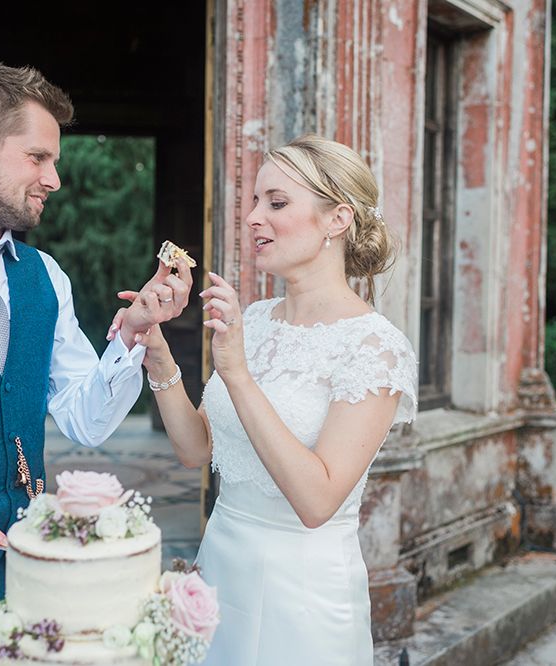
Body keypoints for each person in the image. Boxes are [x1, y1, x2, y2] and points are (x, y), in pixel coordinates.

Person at [0, 60, 191, 665]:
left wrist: (133, 331)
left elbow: (86, 421)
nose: (55, 178)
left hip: (24, 582)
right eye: (38, 157)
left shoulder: (46, 278)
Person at [121, 135, 417, 664]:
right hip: (219, 569)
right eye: (255, 201)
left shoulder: (375, 347)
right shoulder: (255, 321)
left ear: (337, 219)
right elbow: (195, 450)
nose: (254, 217)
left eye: (276, 203)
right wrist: (158, 354)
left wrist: (236, 372)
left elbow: (316, 501)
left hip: (301, 597)